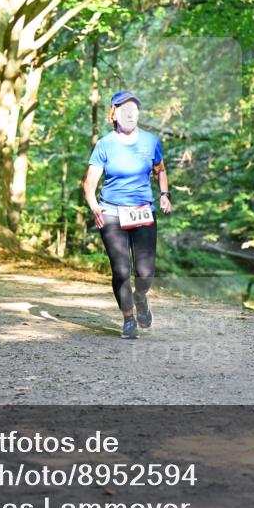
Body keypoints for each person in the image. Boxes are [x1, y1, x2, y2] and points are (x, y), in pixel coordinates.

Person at [83, 90, 172, 339]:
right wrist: (94, 206)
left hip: (143, 211)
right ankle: (128, 318)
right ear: (114, 114)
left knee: (145, 272)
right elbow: (89, 183)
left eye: (135, 109)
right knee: (121, 270)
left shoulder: (151, 141)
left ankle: (140, 297)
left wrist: (164, 194)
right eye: (125, 108)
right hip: (111, 212)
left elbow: (160, 170)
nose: (131, 113)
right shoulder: (104, 145)